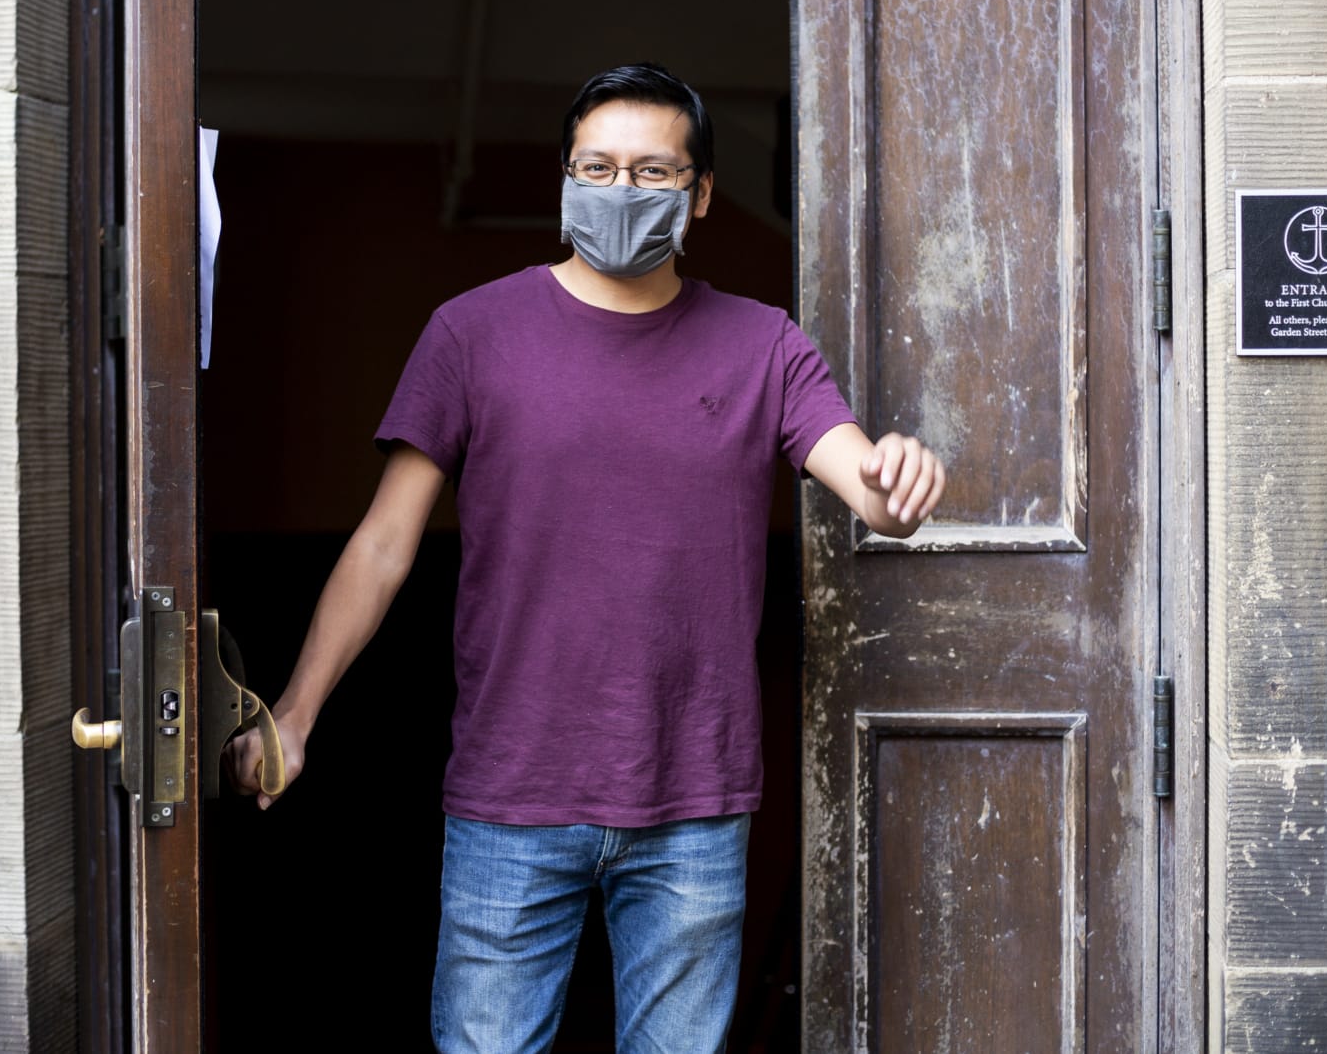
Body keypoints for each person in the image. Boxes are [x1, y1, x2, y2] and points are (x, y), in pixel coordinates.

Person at [228, 63, 945, 1053]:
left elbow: (870, 487)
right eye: (596, 167)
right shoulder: (471, 334)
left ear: (696, 195)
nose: (620, 192)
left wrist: (901, 474)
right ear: (563, 181)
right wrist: (299, 711)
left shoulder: (764, 347)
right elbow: (384, 545)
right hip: (509, 790)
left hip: (694, 798)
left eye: (652, 173)